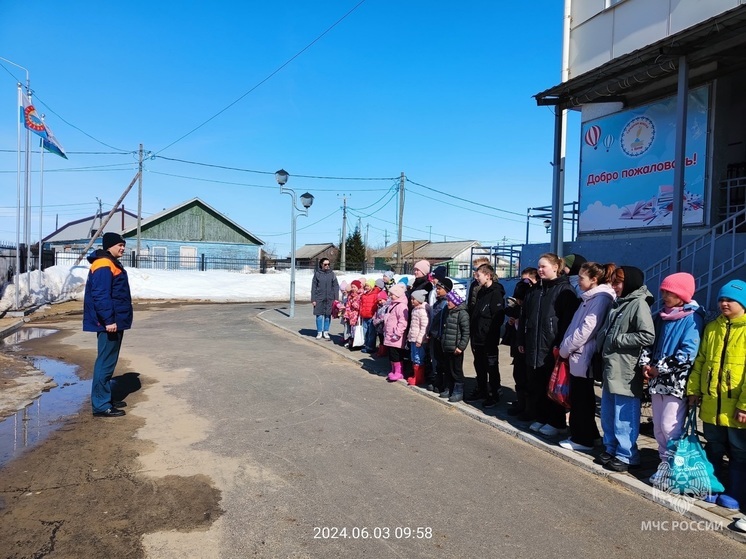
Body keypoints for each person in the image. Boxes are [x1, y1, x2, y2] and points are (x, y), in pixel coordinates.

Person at [687, 279, 746, 517]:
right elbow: (700, 361)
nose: (724, 303)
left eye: (730, 300)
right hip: (711, 403)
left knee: (739, 450)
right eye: (721, 299)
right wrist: (693, 390)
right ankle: (712, 484)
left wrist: (744, 405)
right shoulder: (712, 328)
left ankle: (735, 490)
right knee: (713, 445)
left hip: (735, 407)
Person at [639, 272, 704, 482]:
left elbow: (687, 354)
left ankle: (674, 469)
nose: (665, 296)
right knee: (658, 427)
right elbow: (649, 343)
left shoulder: (692, 318)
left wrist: (660, 368)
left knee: (671, 426)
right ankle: (663, 465)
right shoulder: (660, 317)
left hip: (676, 383)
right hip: (657, 382)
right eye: (664, 291)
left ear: (683, 295)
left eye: (671, 292)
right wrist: (645, 365)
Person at [595, 266, 655, 472]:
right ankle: (611, 447)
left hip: (626, 369)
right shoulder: (619, 303)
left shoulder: (638, 304)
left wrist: (618, 339)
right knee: (609, 412)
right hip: (612, 366)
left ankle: (627, 454)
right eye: (612, 283)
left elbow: (648, 335)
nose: (614, 287)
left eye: (617, 283)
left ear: (628, 283)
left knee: (624, 414)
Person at [516, 253, 579, 435]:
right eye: (539, 266)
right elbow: (524, 316)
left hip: (551, 347)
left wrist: (560, 344)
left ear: (555, 267)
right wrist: (521, 339)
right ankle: (541, 417)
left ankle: (556, 422)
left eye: (544, 266)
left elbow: (567, 322)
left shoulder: (564, 291)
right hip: (533, 346)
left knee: (553, 387)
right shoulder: (534, 291)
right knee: (536, 385)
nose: (540, 270)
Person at [558, 262, 616, 451]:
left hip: (584, 355)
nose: (578, 281)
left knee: (582, 399)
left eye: (582, 278)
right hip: (578, 354)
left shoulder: (600, 299)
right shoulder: (590, 298)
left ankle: (582, 439)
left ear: (594, 279)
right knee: (582, 397)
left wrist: (565, 348)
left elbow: (586, 330)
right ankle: (591, 435)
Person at [83, 232, 133, 418]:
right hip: (109, 322)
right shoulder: (104, 264)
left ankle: (105, 397)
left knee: (108, 361)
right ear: (109, 246)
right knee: (104, 362)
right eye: (120, 245)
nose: (123, 248)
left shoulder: (110, 263)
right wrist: (109, 320)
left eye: (123, 245)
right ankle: (101, 405)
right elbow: (101, 295)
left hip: (114, 320)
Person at [466, 263, 506, 407]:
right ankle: (482, 390)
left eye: (479, 275)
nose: (476, 278)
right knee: (479, 365)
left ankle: (494, 394)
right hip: (477, 337)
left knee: (491, 366)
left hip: (488, 338)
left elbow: (498, 317)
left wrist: (488, 332)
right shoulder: (481, 291)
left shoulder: (496, 293)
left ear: (488, 276)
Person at [505, 268, 538, 416]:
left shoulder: (534, 301)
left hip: (528, 345)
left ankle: (530, 408)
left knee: (529, 378)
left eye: (527, 281)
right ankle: (521, 403)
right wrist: (513, 322)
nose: (524, 284)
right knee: (518, 375)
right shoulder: (520, 303)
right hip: (517, 344)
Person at [440, 289, 470, 402]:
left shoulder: (462, 314)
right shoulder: (449, 312)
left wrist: (461, 347)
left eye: (449, 300)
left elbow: (466, 333)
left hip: (456, 348)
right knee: (448, 369)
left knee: (456, 370)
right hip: (447, 346)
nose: (447, 302)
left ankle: (459, 390)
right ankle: (450, 387)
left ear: (456, 301)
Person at [428, 277, 452, 393]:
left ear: (446, 290)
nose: (437, 291)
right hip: (435, 335)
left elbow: (444, 321)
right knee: (437, 361)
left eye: (439, 288)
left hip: (442, 336)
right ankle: (438, 381)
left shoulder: (447, 304)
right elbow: (433, 319)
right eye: (436, 288)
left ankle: (446, 384)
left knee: (444, 362)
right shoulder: (438, 302)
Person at [383, 283, 409, 382]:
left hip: (396, 335)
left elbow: (403, 321)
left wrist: (397, 333)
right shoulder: (392, 304)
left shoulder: (401, 306)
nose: (390, 296)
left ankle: (399, 372)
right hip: (390, 334)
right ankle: (393, 370)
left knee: (396, 354)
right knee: (391, 354)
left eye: (392, 294)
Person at [311, 258, 339, 339]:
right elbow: (314, 287)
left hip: (330, 298)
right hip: (319, 298)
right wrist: (313, 299)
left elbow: (335, 286)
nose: (327, 266)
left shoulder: (332, 274)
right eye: (325, 264)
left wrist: (336, 298)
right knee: (319, 315)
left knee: (327, 316)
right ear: (321, 265)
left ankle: (326, 331)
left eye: (328, 264)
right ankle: (319, 332)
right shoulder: (317, 274)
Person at [407, 289, 430, 386]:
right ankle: (415, 375)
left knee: (418, 358)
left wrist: (420, 339)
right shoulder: (414, 310)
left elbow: (424, 327)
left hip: (419, 340)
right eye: (411, 299)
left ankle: (419, 378)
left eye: (414, 299)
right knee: (413, 357)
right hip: (413, 338)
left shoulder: (422, 311)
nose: (411, 301)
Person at [359, 278, 381, 353]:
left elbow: (376, 305)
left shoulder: (375, 295)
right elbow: (361, 304)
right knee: (365, 331)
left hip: (371, 316)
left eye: (368, 286)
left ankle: (371, 347)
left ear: (371, 286)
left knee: (371, 332)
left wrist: (374, 313)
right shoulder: (364, 295)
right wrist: (361, 312)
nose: (366, 287)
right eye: (366, 286)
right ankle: (366, 344)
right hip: (365, 316)